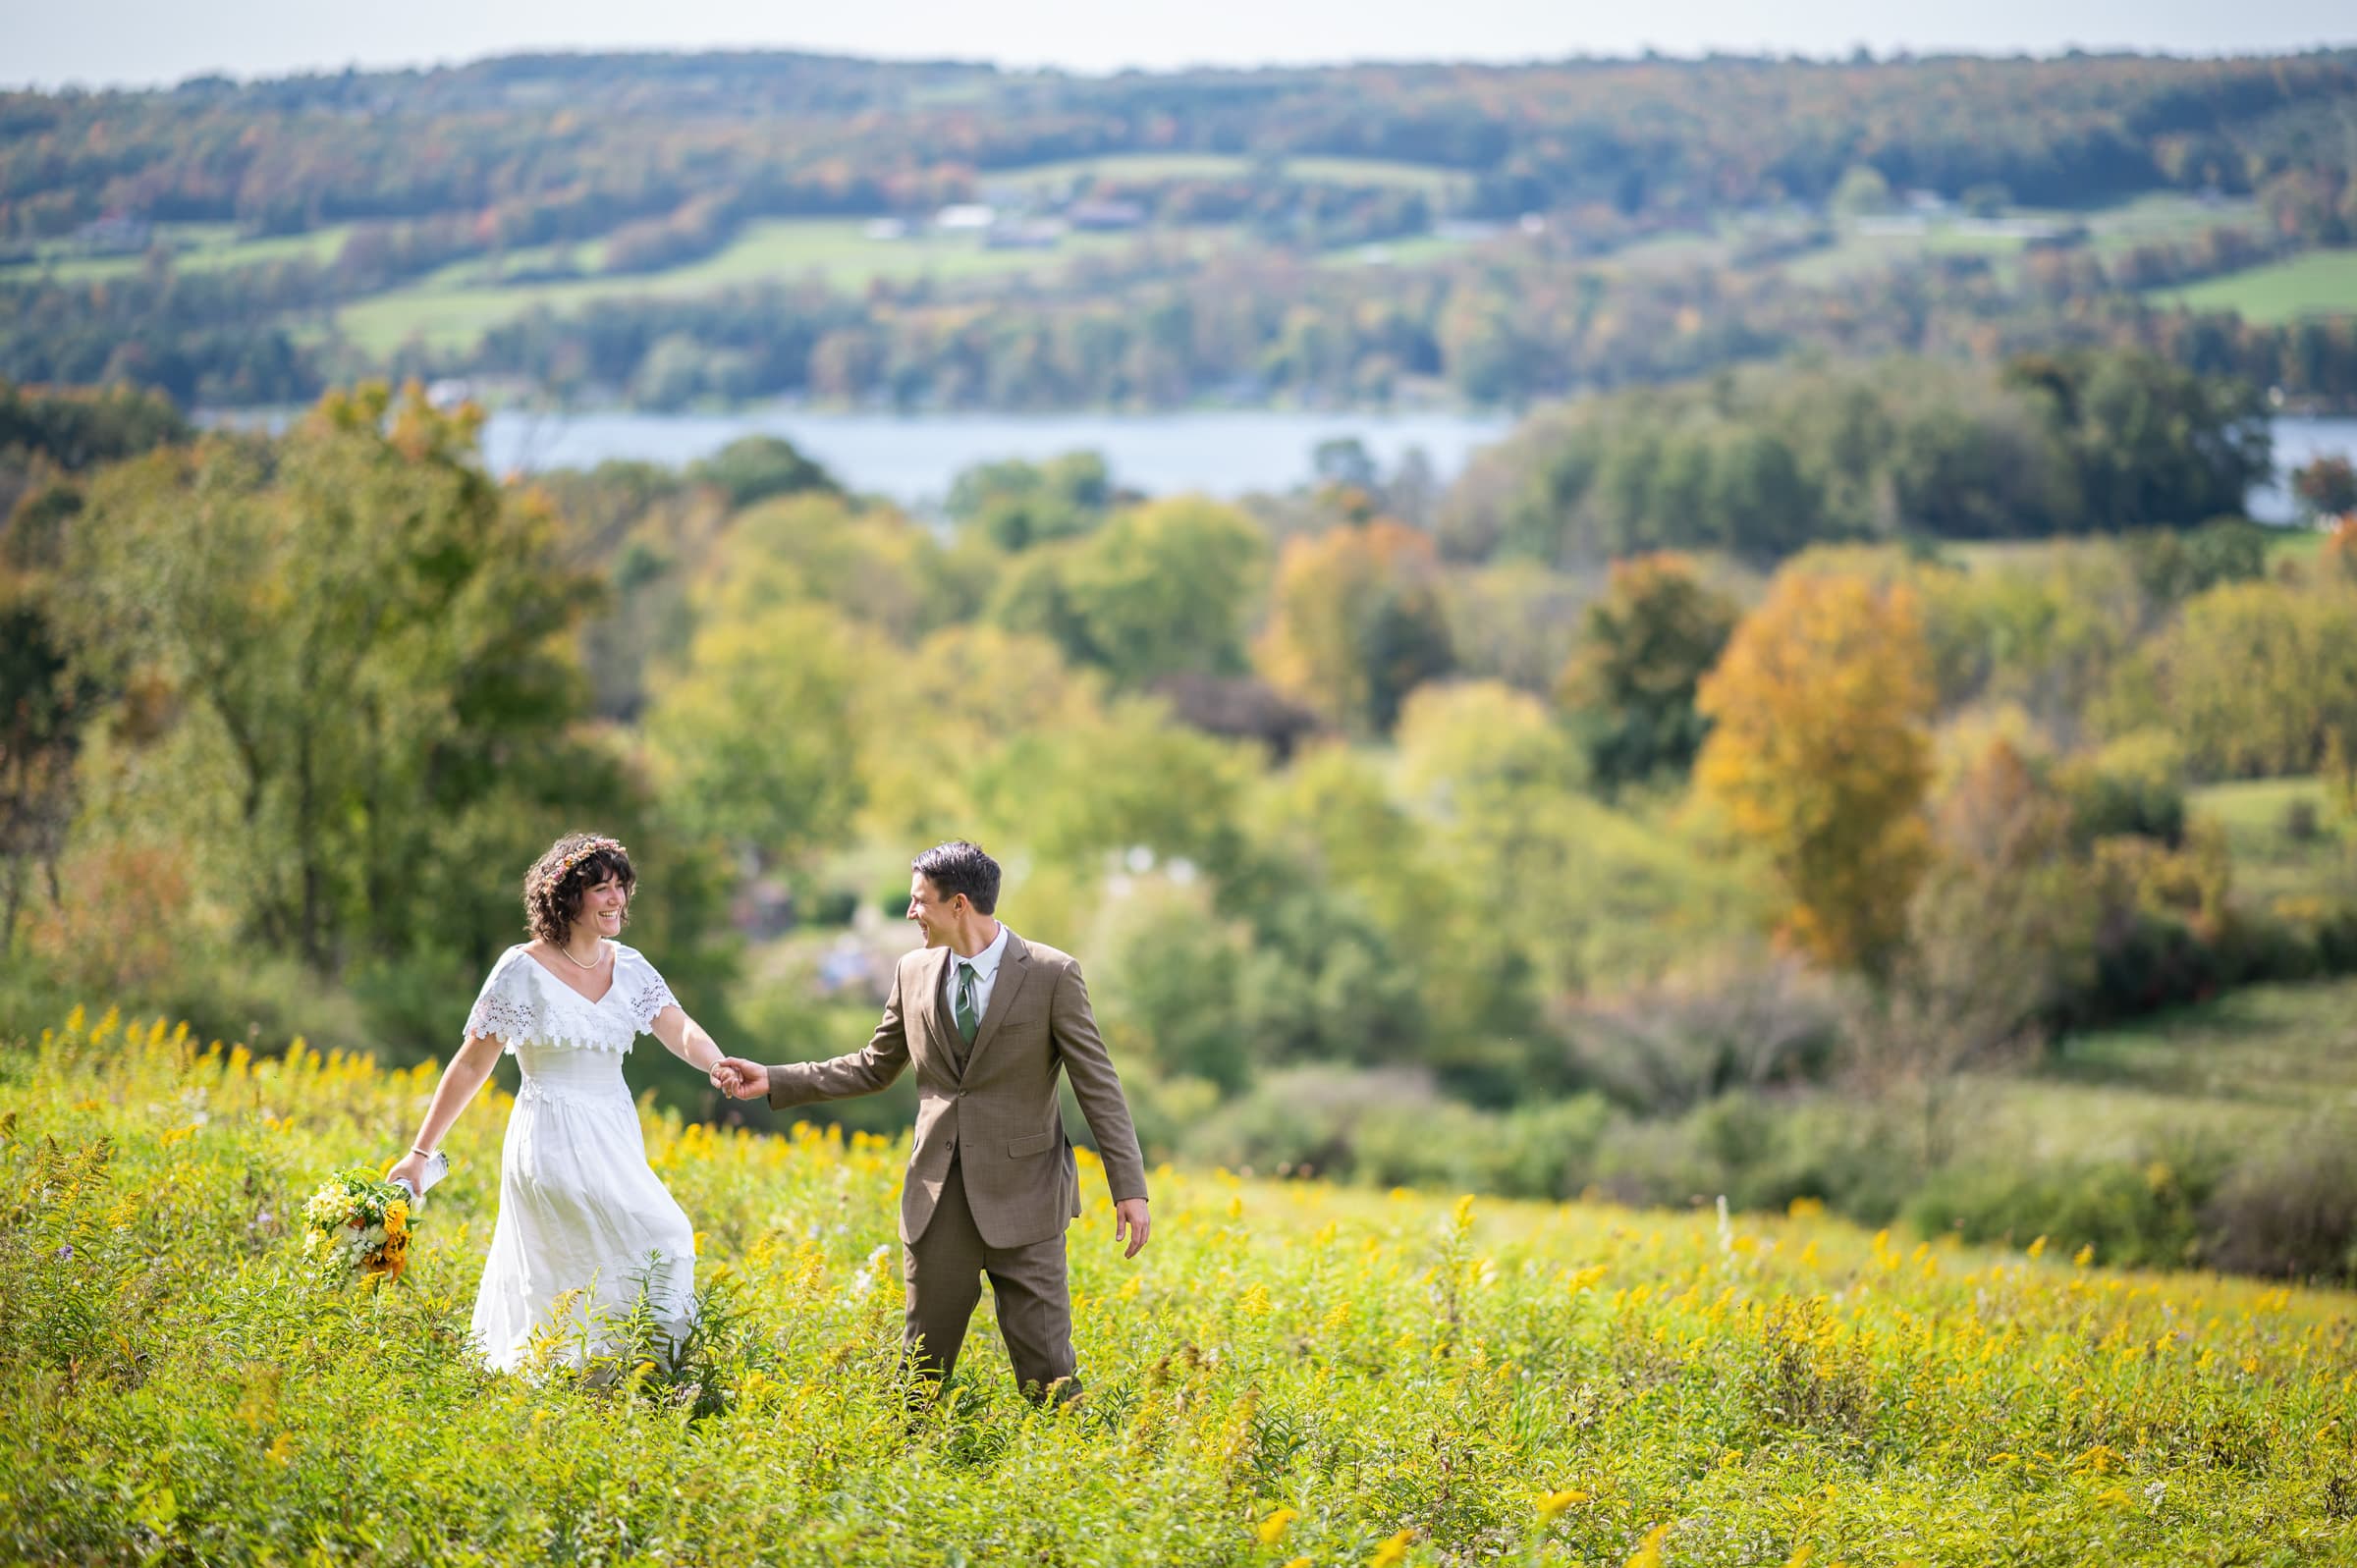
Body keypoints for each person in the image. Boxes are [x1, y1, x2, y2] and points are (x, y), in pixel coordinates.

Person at [713, 840, 1149, 1403]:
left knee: (1050, 1377)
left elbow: (1098, 1085)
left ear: (959, 904)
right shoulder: (911, 971)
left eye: (920, 901)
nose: (910, 911)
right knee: (920, 1378)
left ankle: (1069, 1458)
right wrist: (775, 1079)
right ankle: (910, 1456)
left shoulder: (1052, 973)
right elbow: (873, 1067)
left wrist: (1128, 1188)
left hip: (1029, 1201)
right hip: (936, 1201)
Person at [390, 833, 737, 1373]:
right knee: (655, 1237)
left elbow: (679, 1028)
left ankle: (619, 1386)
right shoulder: (521, 969)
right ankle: (580, 1377)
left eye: (622, 887)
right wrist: (419, 1153)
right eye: (602, 889)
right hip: (549, 1132)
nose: (617, 899)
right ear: (568, 897)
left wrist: (717, 1063)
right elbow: (472, 1064)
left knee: (617, 1257)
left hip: (614, 1133)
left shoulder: (631, 967)